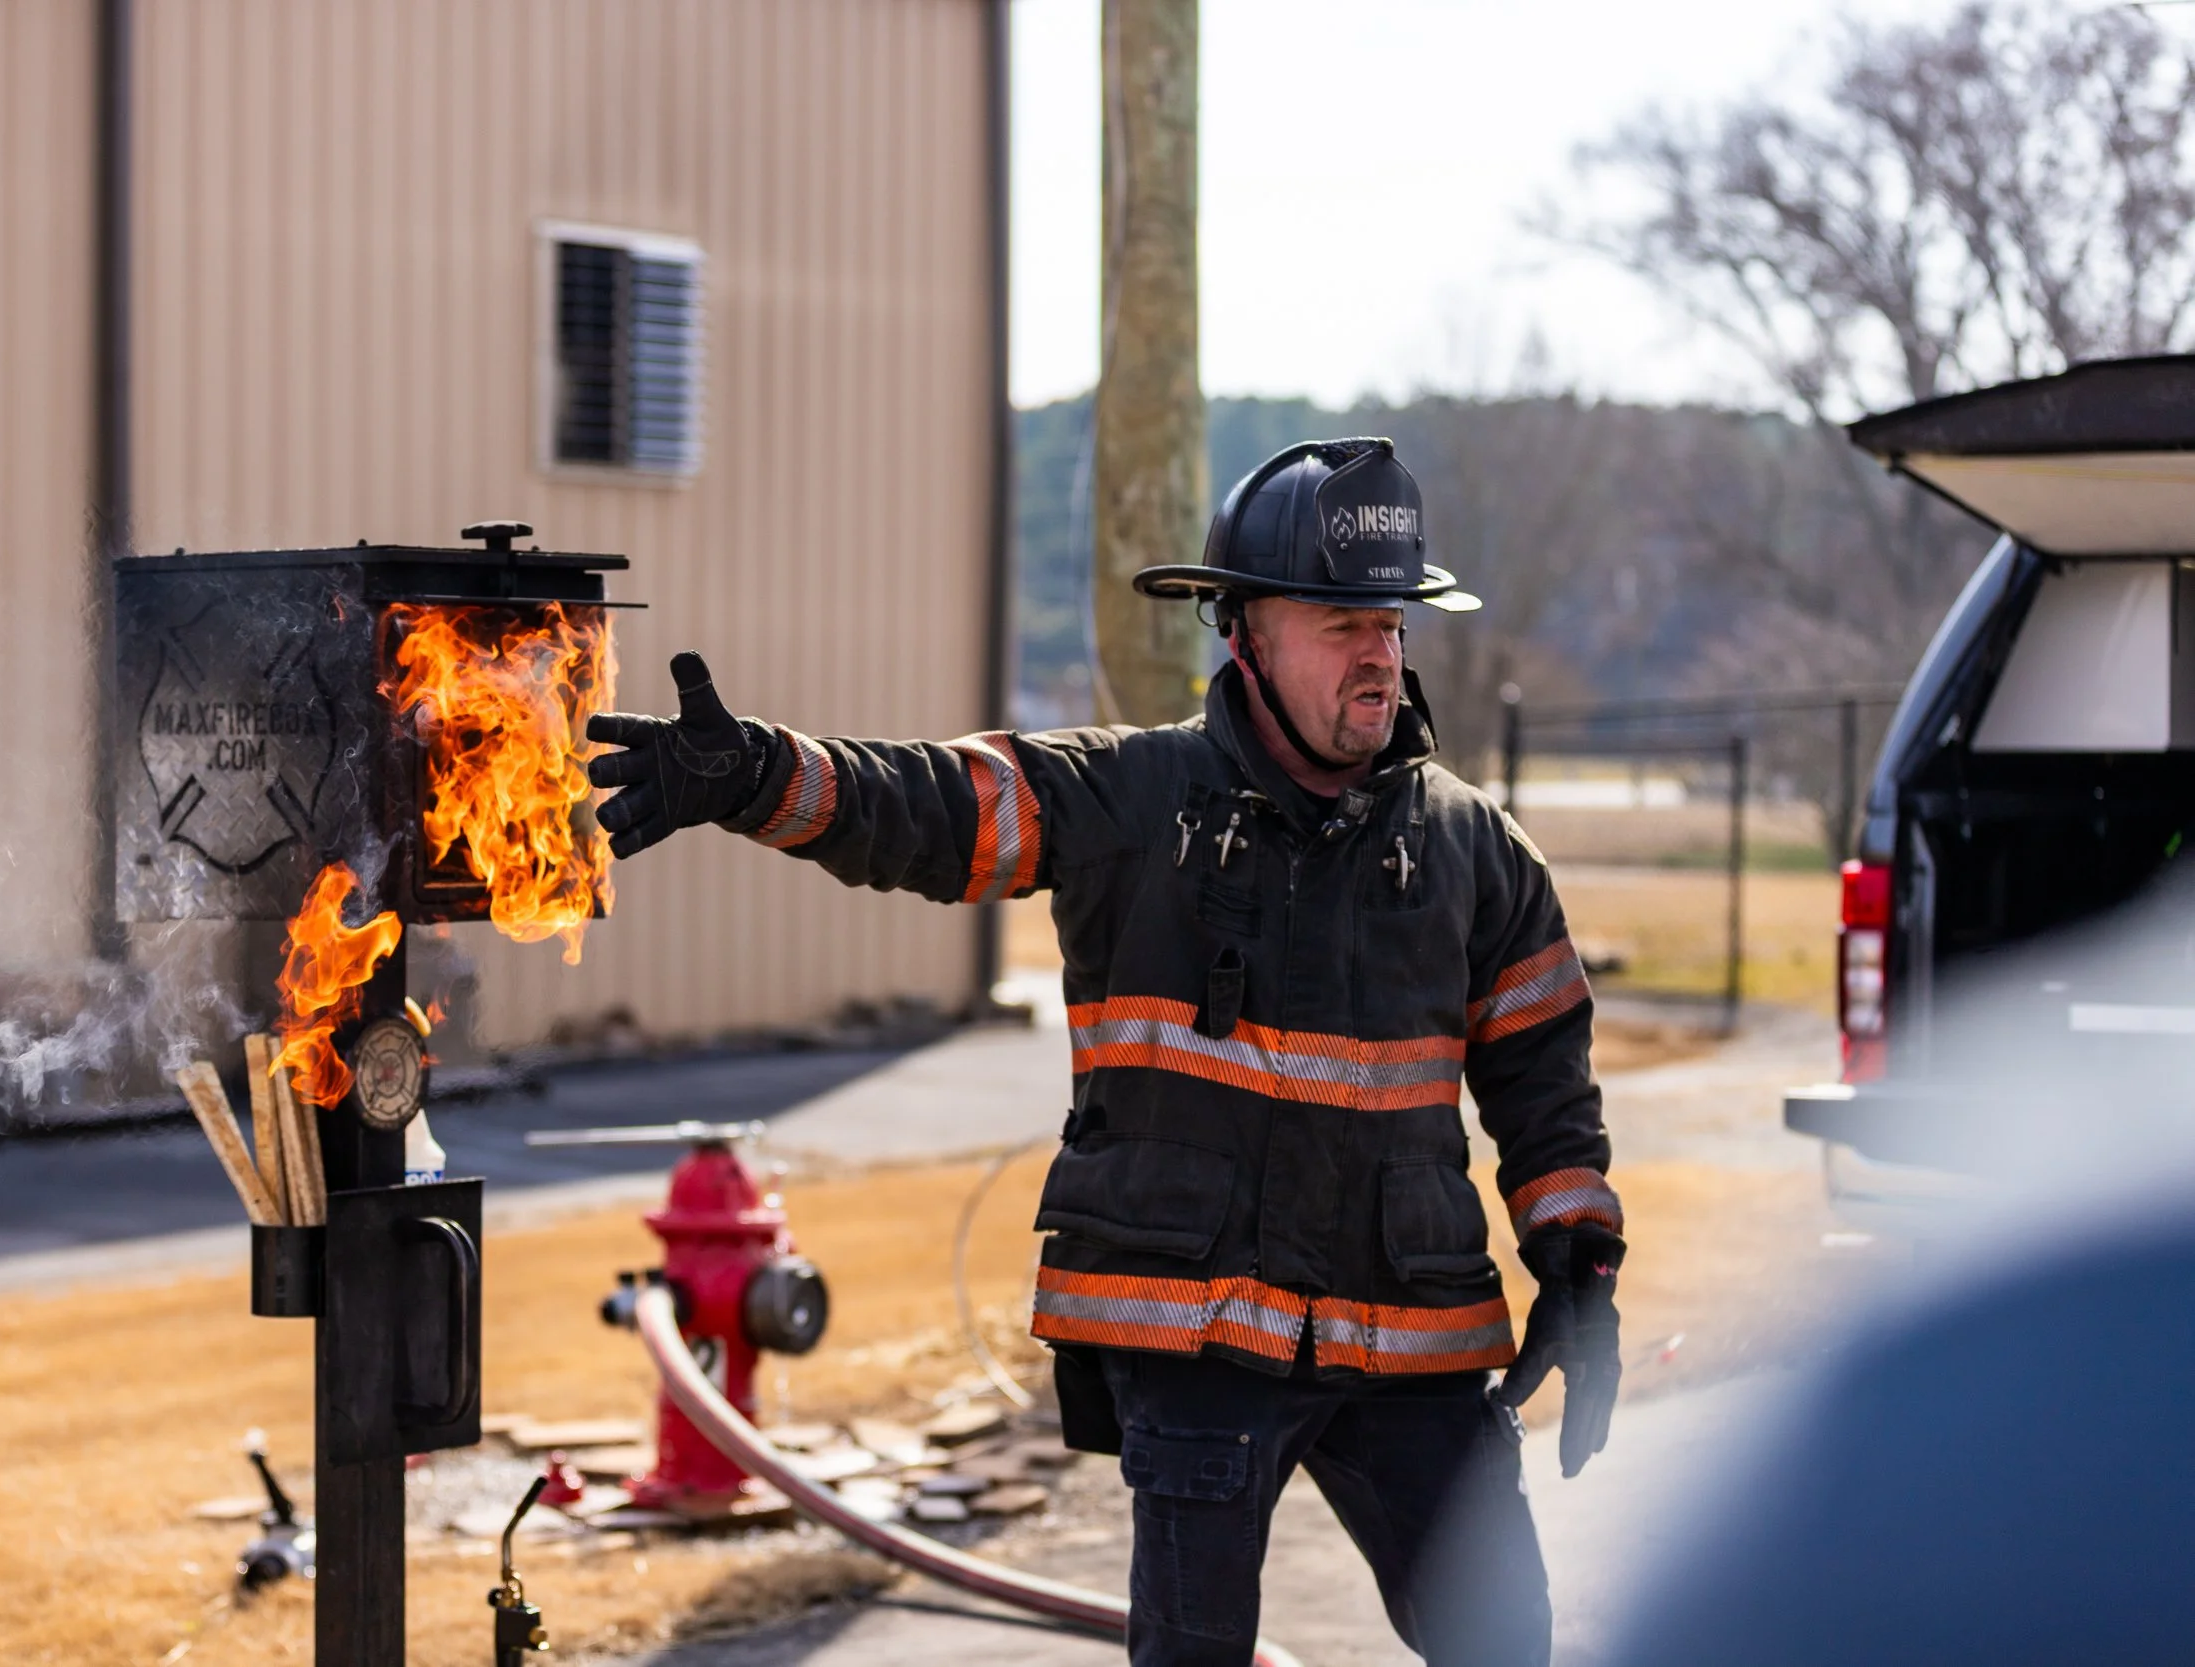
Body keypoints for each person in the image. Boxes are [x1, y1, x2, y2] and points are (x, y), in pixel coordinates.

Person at [586, 438, 1623, 1667]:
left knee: (1508, 1642)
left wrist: (1575, 1264)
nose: (1380, 655)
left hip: (1413, 1330)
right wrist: (760, 776)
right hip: (1195, 1334)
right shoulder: (1132, 799)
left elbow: (1542, 1071)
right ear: (1244, 631)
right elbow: (928, 809)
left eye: (1394, 624)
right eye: (1345, 620)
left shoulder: (1474, 850)